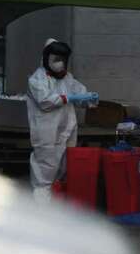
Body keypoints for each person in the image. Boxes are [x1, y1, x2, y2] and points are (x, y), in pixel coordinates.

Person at [26, 39, 98, 201]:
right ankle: (41, 209)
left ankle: (58, 208)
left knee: (64, 167)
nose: (59, 64)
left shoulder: (67, 78)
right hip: (47, 134)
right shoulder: (37, 80)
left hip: (67, 130)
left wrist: (89, 98)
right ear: (47, 58)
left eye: (62, 60)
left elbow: (80, 94)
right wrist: (69, 97)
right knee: (45, 169)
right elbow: (45, 101)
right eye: (56, 59)